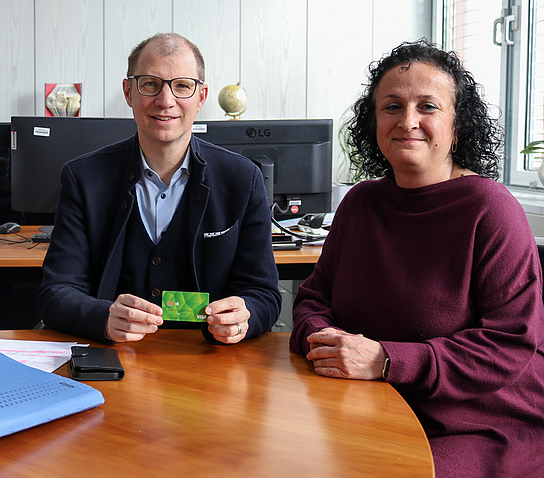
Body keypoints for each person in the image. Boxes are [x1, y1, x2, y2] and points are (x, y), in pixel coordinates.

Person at [290, 39, 544, 477]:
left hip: (476, 422)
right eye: (392, 107)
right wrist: (326, 341)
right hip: (373, 402)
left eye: (428, 106)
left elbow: (508, 344)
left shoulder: (491, 209)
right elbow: (314, 299)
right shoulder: (360, 203)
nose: (408, 121)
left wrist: (387, 359)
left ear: (458, 126)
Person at [36, 33, 281, 344]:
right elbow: (56, 292)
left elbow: (264, 294)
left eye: (182, 86)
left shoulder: (242, 179)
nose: (166, 101)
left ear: (201, 97)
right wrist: (104, 318)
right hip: (112, 356)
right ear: (129, 92)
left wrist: (245, 317)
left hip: (210, 360)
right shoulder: (83, 178)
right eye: (150, 84)